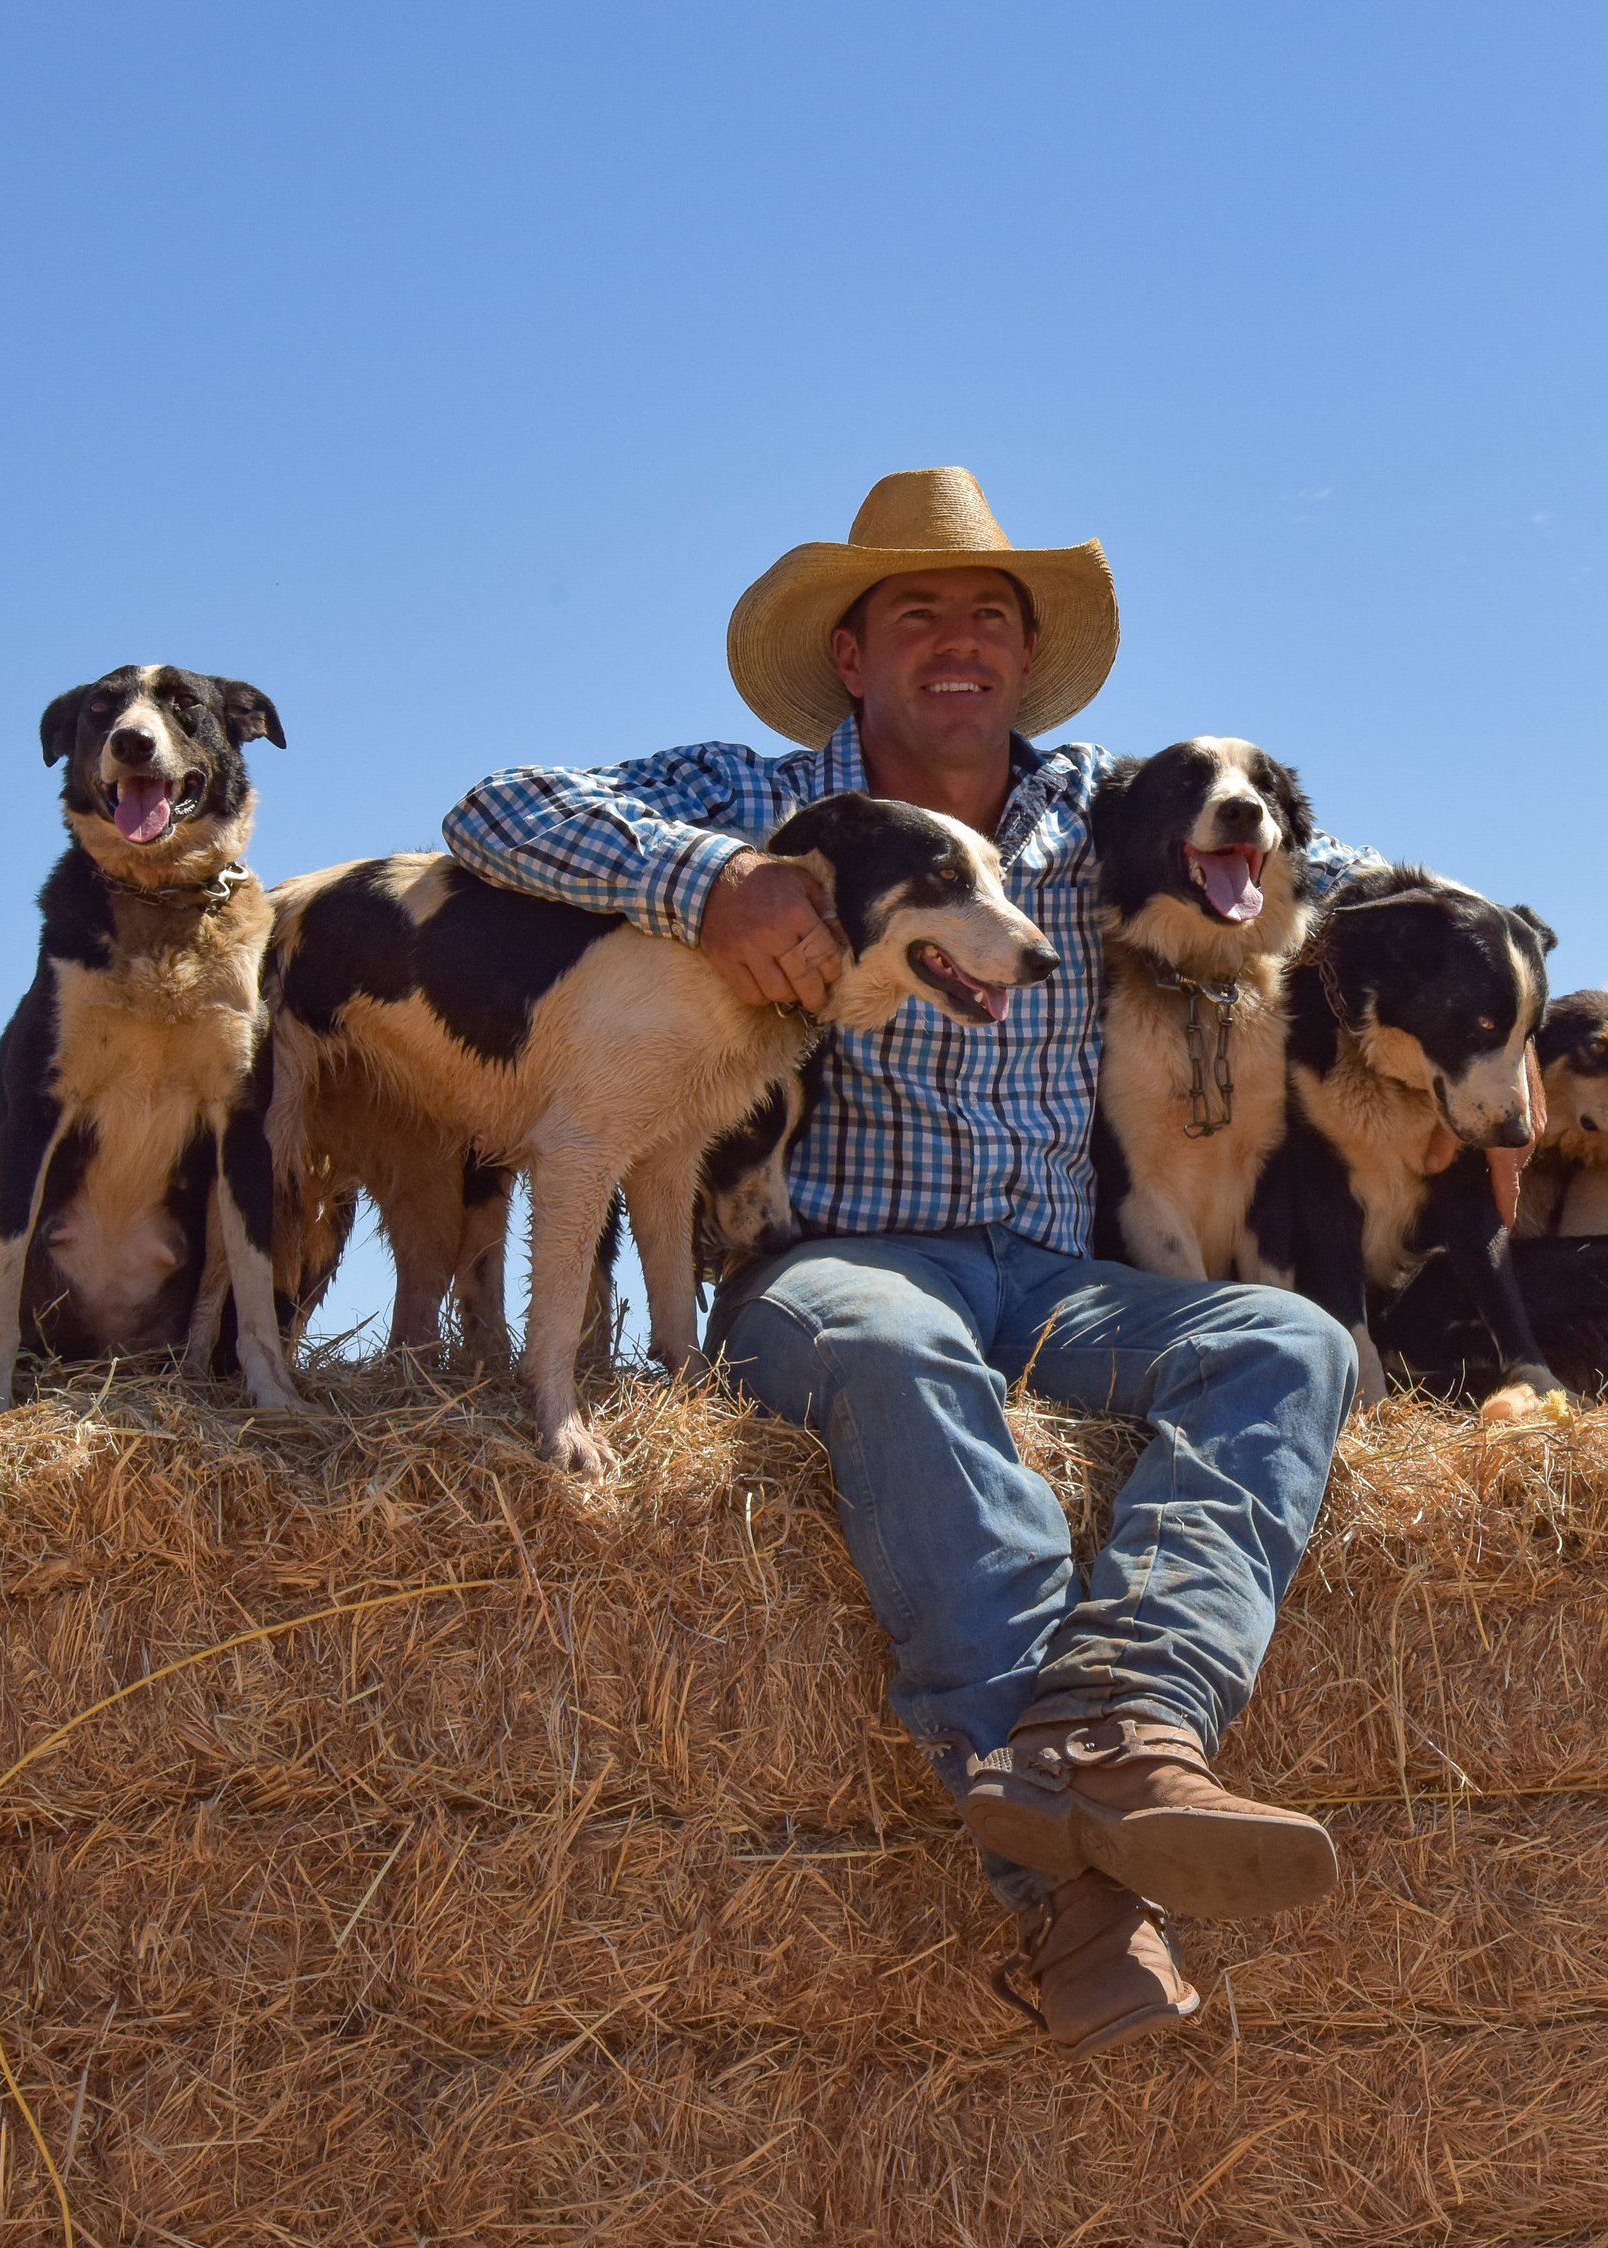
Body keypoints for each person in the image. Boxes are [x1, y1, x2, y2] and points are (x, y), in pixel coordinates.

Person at [442, 467, 1365, 2056]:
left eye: (989, 616)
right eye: (917, 612)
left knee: (1292, 1349)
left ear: (1026, 656)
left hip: (1060, 1274)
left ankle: (1129, 1719)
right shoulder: (759, 800)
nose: (960, 643)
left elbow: (1328, 871)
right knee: (888, 1354)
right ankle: (1084, 1901)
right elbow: (497, 809)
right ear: (852, 655)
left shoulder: (1110, 812)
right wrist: (715, 884)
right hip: (836, 1259)